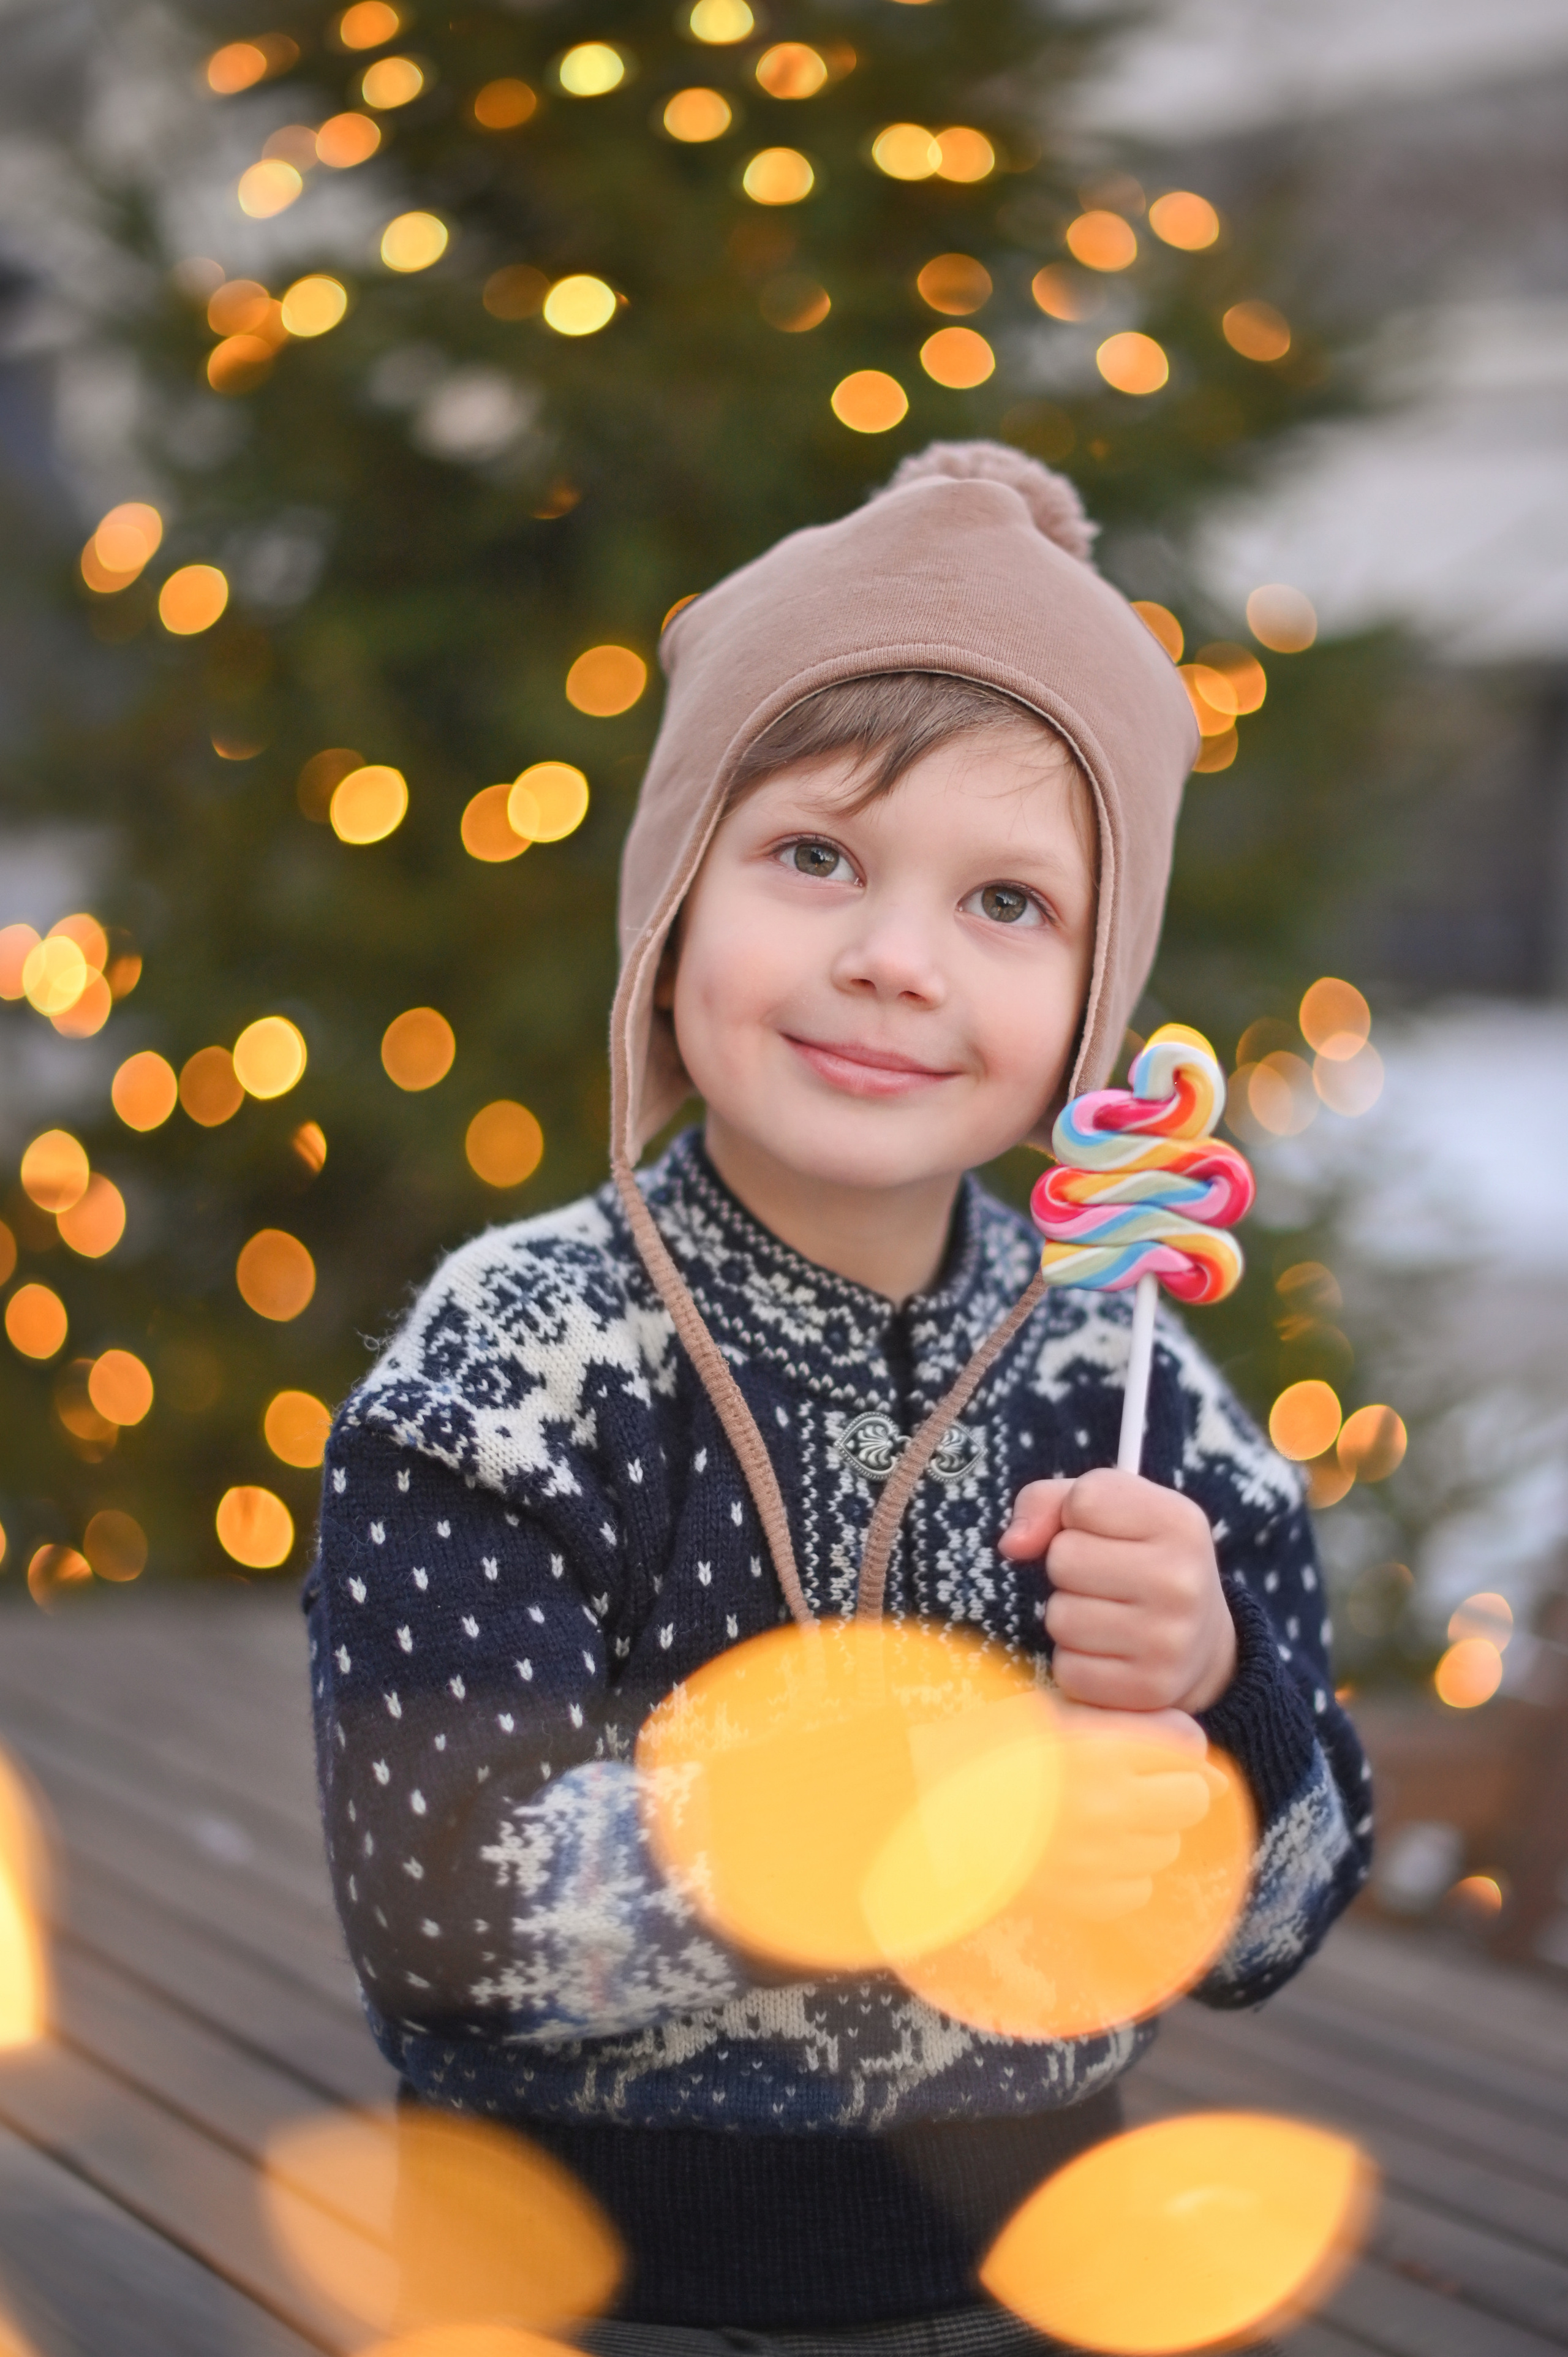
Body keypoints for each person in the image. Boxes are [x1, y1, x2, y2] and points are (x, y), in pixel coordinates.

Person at [306, 443, 1372, 2354]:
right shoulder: (519, 1361)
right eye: (814, 857)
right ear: (676, 897)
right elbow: (438, 1903)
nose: (892, 959)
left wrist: (1214, 1699)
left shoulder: (1131, 1387)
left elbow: (1274, 1931)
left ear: (1093, 997)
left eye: (1008, 904)